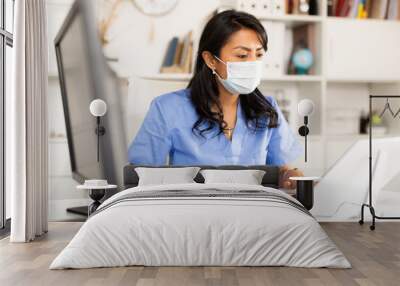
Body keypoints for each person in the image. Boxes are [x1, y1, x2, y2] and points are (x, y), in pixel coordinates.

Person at [128, 10, 304, 189]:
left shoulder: (266, 109)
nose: (252, 64)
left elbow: (282, 169)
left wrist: (290, 176)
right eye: (242, 55)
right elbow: (141, 176)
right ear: (211, 60)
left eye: (258, 55)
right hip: (190, 212)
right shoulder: (167, 108)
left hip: (251, 212)